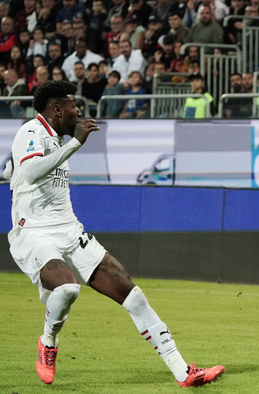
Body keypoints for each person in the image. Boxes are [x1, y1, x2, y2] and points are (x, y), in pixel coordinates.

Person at [4, 80, 225, 386]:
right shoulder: (32, 131)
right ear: (56, 110)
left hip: (69, 229)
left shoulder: (54, 137)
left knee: (131, 292)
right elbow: (29, 171)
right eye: (72, 104)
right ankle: (48, 343)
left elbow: (21, 171)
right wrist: (74, 144)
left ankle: (182, 371)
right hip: (35, 233)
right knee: (67, 289)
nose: (78, 110)